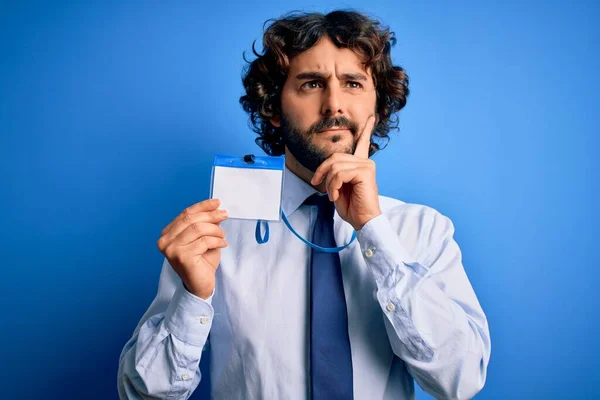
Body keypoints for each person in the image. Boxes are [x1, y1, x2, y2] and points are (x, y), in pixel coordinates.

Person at [117, 10, 491, 400]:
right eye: (312, 84)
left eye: (353, 83)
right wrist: (193, 296)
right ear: (274, 108)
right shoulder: (215, 234)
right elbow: (141, 395)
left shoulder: (423, 231)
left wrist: (375, 231)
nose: (334, 105)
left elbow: (460, 381)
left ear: (376, 107)